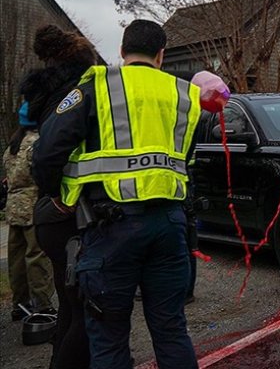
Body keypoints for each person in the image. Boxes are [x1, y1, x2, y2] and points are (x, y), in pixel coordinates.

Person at [32, 20, 201, 369]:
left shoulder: (97, 85)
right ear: (161, 54)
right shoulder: (185, 94)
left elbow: (47, 152)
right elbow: (186, 158)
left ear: (122, 52)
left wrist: (60, 196)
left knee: (109, 338)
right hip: (170, 226)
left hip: (111, 228)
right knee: (171, 330)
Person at [20, 24, 96, 368]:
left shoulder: (45, 93)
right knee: (84, 309)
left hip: (53, 214)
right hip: (71, 212)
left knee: (69, 304)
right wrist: (59, 198)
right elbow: (48, 155)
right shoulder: (79, 92)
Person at [4, 101, 55, 322]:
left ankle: (19, 303)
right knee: (37, 256)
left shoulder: (13, 145)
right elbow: (42, 173)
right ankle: (43, 304)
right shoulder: (37, 143)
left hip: (14, 207)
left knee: (16, 259)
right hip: (33, 206)